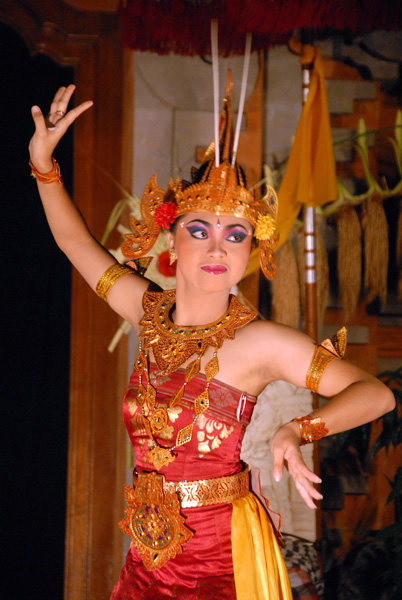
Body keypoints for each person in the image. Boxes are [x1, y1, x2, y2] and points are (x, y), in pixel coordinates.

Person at [29, 84, 395, 600]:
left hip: (219, 562)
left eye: (237, 235)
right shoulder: (147, 311)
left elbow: (375, 393)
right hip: (145, 556)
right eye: (200, 230)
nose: (218, 247)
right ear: (172, 238)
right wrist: (44, 165)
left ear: (252, 252)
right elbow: (74, 242)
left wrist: (298, 430)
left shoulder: (260, 341)